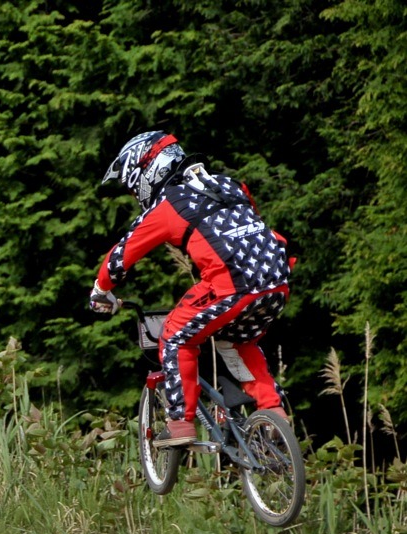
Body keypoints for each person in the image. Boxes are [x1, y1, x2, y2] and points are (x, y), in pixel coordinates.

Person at [90, 131, 291, 447]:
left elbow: (122, 255)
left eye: (133, 187)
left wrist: (101, 290)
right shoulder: (229, 185)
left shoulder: (170, 205)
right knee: (238, 342)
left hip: (232, 286)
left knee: (174, 335)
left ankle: (180, 422)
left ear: (147, 171)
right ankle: (274, 416)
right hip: (276, 281)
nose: (135, 195)